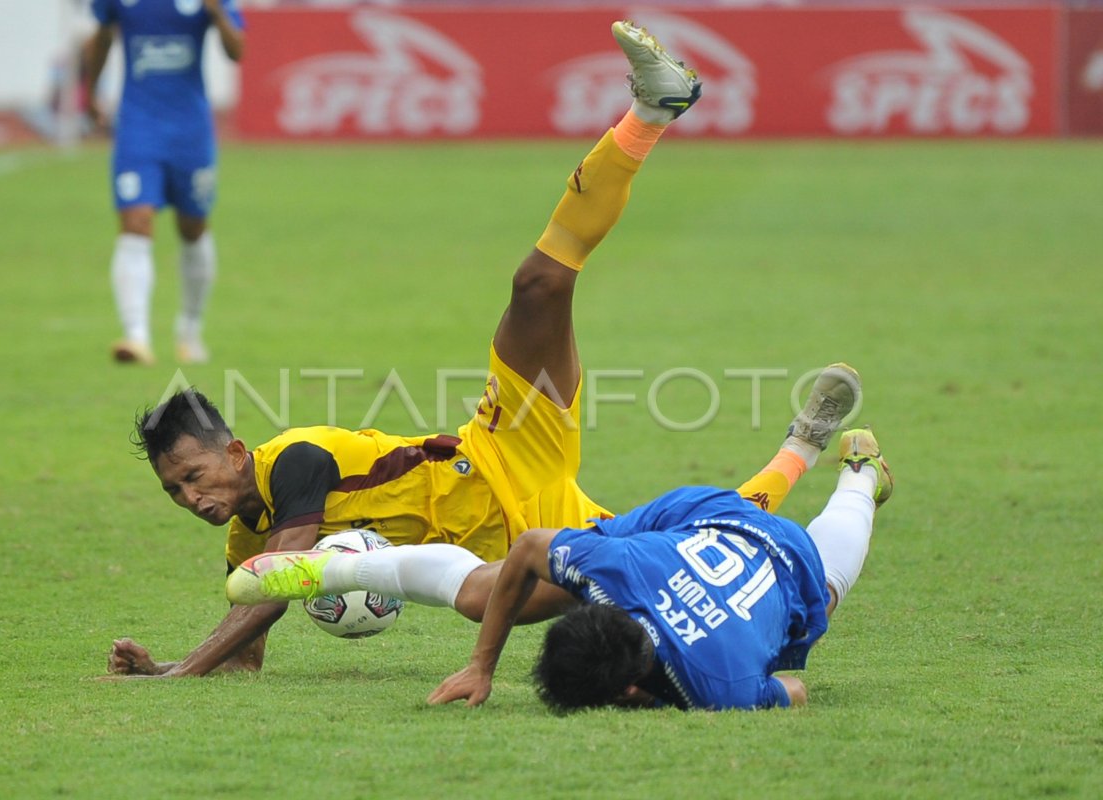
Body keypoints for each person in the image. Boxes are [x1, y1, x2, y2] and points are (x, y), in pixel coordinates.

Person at [106, 21, 859, 679]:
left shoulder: (292, 462)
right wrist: (174, 667)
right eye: (175, 492)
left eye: (193, 475)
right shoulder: (247, 537)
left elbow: (277, 585)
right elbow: (247, 651)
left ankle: (651, 110)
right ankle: (804, 447)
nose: (190, 498)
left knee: (537, 285)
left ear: (236, 452)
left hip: (501, 451)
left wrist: (180, 673)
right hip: (509, 560)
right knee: (683, 555)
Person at [231, 428, 893, 712]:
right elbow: (797, 693)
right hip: (718, 538)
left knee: (823, 595)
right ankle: (337, 571)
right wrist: (483, 662)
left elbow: (793, 693)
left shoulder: (623, 581)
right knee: (501, 595)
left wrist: (482, 662)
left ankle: (858, 476)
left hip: (716, 531)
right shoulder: (707, 673)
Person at [83, 0, 245, 365]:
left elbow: (238, 51)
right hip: (138, 129)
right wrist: (91, 92)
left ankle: (189, 329)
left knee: (192, 227)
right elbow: (102, 36)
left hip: (191, 132)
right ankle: (136, 336)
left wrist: (218, 13)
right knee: (135, 221)